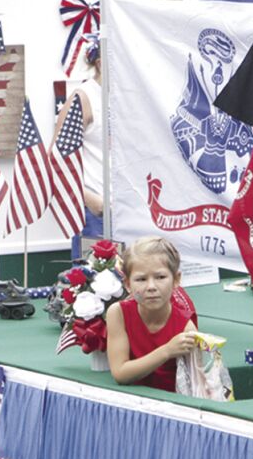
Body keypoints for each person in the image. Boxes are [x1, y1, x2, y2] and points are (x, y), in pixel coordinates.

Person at [106, 236, 199, 392]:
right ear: (128, 284)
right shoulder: (118, 314)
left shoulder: (186, 328)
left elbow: (194, 385)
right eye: (141, 279)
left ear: (176, 279)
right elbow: (120, 373)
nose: (151, 287)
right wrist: (167, 351)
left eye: (160, 277)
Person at [61, 40, 104, 244]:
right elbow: (57, 160)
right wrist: (89, 199)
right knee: (96, 275)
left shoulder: (126, 96)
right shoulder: (84, 97)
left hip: (128, 210)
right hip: (95, 212)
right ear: (100, 63)